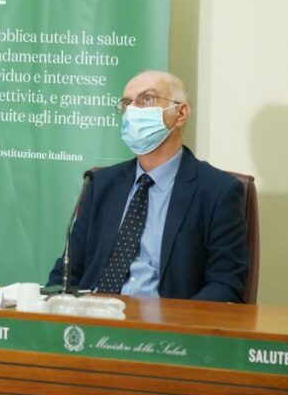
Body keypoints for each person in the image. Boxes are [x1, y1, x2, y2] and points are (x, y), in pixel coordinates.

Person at [46, 70, 249, 302]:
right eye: (127, 103)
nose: (132, 110)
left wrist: (178, 321)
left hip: (166, 320)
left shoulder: (217, 191)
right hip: (93, 315)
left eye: (147, 99)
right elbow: (67, 273)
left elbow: (225, 285)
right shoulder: (100, 184)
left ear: (180, 113)